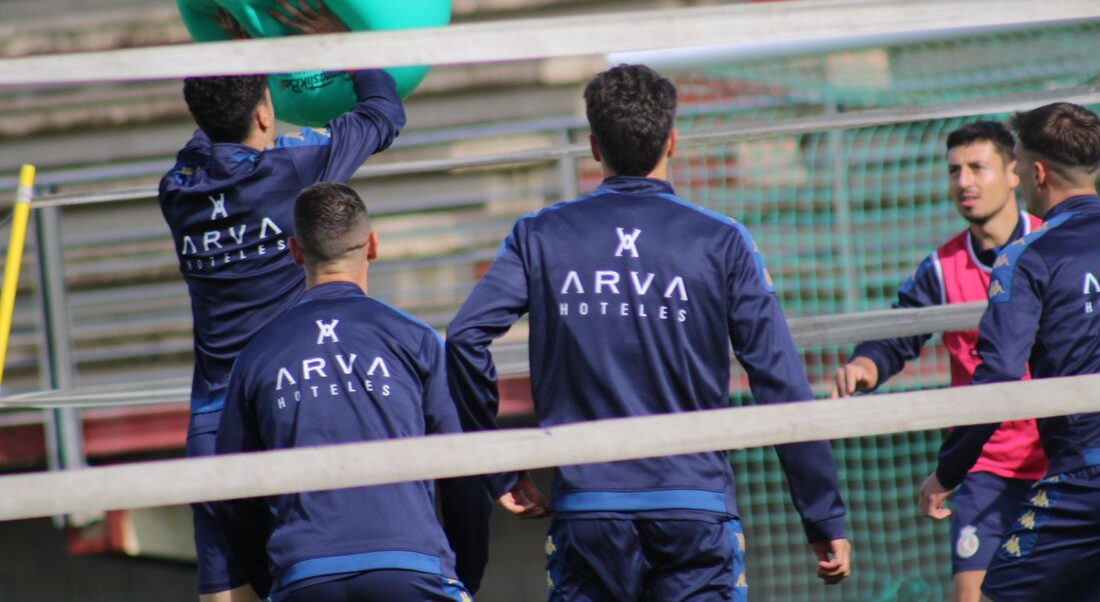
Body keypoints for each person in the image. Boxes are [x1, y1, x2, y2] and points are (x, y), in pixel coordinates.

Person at [446, 63, 851, 599]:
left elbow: (462, 338)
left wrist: (496, 465)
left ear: (594, 147)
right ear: (673, 140)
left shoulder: (541, 235)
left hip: (589, 512)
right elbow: (778, 378)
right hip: (694, 509)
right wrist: (822, 516)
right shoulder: (721, 240)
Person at [160, 0, 488, 601]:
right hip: (288, 405)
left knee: (224, 591)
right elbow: (384, 111)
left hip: (212, 420)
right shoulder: (292, 168)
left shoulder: (176, 189)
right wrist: (336, 40)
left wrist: (239, 58)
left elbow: (211, 131)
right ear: (265, 116)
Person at [215, 182, 474, 602]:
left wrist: (276, 584)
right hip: (413, 567)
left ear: (295, 251)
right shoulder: (417, 339)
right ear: (372, 245)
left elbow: (230, 494)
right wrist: (463, 572)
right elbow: (461, 474)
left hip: (303, 573)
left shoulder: (256, 354)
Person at [831, 121, 1046, 600]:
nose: (964, 182)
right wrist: (867, 364)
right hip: (984, 468)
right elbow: (899, 332)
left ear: (1014, 173)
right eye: (954, 171)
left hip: (1061, 457)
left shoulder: (1052, 246)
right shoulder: (941, 268)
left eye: (977, 167)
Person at [919, 102, 1100, 602]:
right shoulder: (947, 264)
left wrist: (947, 472)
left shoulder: (1028, 257)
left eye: (1019, 165)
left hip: (1086, 477)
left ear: (1038, 172)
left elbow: (999, 377)